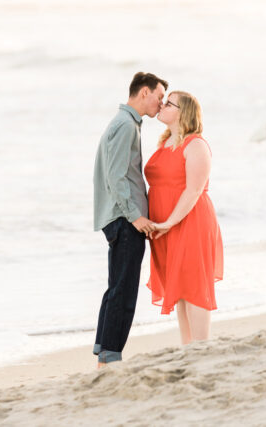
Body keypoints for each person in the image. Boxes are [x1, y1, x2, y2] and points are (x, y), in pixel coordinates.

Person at [92, 71, 168, 366]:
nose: (161, 103)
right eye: (159, 96)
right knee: (124, 291)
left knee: (117, 287)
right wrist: (135, 216)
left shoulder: (125, 122)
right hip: (125, 219)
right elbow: (116, 177)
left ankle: (105, 353)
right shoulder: (125, 125)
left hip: (120, 217)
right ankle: (110, 357)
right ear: (144, 92)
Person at [145, 91, 224, 344]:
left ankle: (201, 345)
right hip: (166, 227)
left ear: (183, 113)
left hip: (190, 221)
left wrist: (170, 222)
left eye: (169, 103)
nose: (162, 105)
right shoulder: (165, 143)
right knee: (179, 288)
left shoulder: (196, 145)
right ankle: (188, 347)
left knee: (194, 286)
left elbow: (194, 190)